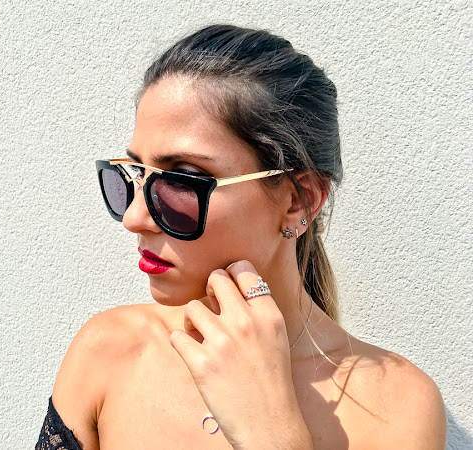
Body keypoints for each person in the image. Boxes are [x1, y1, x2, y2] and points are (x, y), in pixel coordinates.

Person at [36, 24, 447, 449]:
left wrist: (272, 432)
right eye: (138, 174)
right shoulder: (108, 352)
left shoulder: (394, 405)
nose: (135, 217)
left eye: (183, 179)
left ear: (299, 200)